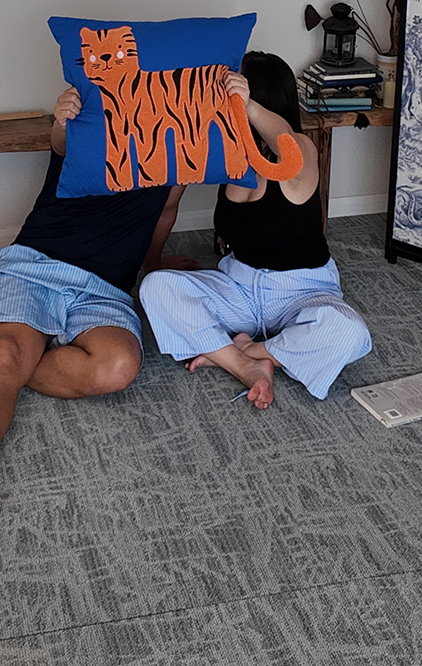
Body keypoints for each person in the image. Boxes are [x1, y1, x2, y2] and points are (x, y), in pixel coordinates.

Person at [0, 86, 190, 517]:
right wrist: (62, 119)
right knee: (6, 356)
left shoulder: (182, 148)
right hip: (33, 263)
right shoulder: (93, 114)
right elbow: (60, 143)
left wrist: (152, 266)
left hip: (104, 288)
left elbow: (164, 215)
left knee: (118, 367)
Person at [140, 51, 370, 409]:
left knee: (349, 331)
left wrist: (247, 107)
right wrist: (152, 263)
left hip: (303, 290)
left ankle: (247, 350)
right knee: (156, 288)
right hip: (239, 286)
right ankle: (247, 364)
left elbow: (282, 138)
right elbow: (168, 208)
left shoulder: (300, 150)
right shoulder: (227, 152)